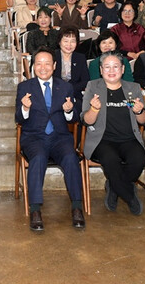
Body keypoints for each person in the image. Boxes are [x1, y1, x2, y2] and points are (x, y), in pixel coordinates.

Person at [15, 46, 85, 231]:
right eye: (39, 64)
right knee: (38, 158)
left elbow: (74, 118)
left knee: (70, 157)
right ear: (33, 67)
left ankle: (77, 207)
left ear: (54, 66)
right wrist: (25, 108)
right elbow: (19, 118)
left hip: (59, 137)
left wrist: (69, 111)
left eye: (47, 63)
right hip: (34, 137)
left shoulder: (66, 87)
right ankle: (35, 210)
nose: (43, 67)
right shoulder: (24, 87)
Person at [82, 52, 145, 215]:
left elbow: (144, 120)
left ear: (123, 69)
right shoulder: (93, 87)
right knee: (111, 160)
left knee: (139, 159)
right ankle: (130, 197)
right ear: (101, 69)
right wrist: (94, 109)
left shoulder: (132, 88)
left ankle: (114, 186)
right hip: (102, 140)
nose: (111, 70)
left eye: (115, 67)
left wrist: (139, 111)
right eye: (107, 67)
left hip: (129, 139)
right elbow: (87, 120)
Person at [53, 26, 89, 113]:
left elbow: (86, 81)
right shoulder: (52, 56)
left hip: (74, 94)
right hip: (54, 94)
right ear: (59, 42)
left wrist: (69, 89)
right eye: (66, 41)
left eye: (73, 41)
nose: (69, 45)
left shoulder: (80, 58)